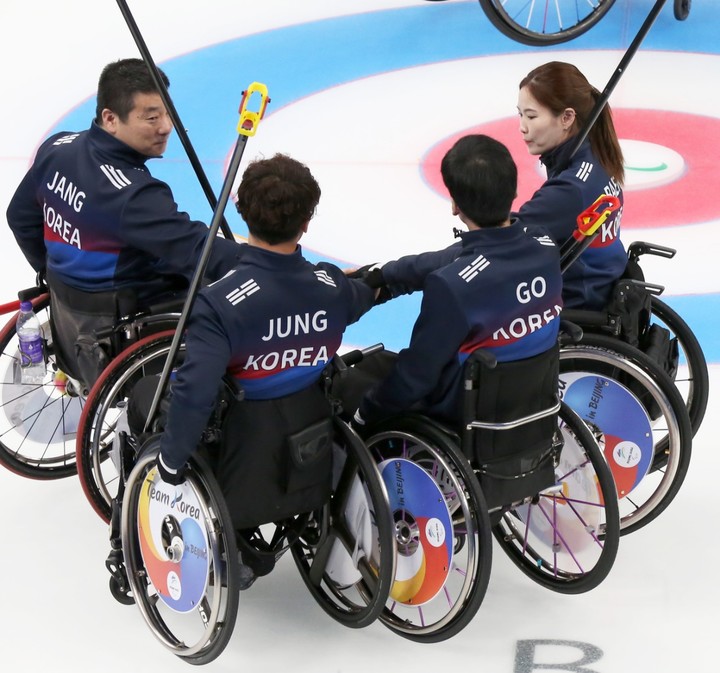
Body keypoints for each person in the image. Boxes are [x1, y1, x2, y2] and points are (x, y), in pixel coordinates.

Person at [151, 153, 378, 585]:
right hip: (311, 444)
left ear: (241, 211)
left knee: (149, 396)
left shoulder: (220, 303)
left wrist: (170, 465)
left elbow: (194, 394)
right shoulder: (331, 288)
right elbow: (365, 293)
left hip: (241, 458)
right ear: (307, 222)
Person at [6, 58, 242, 383]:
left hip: (70, 310)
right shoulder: (132, 196)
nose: (166, 127)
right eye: (151, 117)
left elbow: (20, 217)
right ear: (110, 119)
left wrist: (54, 273)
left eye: (167, 113)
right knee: (232, 285)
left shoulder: (57, 149)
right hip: (126, 317)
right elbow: (198, 251)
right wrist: (273, 263)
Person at [348, 134, 563, 428]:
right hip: (532, 401)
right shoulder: (544, 244)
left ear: (455, 205)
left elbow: (415, 379)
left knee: (353, 380)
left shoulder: (452, 286)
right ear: (513, 191)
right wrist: (382, 272)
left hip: (466, 413)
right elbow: (450, 257)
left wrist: (364, 414)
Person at [515, 60, 626, 310]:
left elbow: (506, 235)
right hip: (600, 281)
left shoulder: (572, 188)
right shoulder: (597, 153)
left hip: (575, 298)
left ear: (566, 117)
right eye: (520, 114)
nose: (522, 127)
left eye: (531, 116)